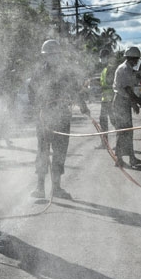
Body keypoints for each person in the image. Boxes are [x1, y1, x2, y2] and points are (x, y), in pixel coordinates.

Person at [28, 39, 90, 199]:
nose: (53, 58)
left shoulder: (66, 73)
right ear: (45, 56)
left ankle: (56, 188)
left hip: (62, 117)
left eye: (55, 55)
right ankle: (40, 188)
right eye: (50, 55)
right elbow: (32, 94)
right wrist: (37, 108)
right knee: (43, 152)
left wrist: (83, 106)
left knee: (59, 153)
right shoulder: (38, 73)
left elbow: (75, 90)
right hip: (44, 118)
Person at [112, 46, 141, 168]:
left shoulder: (127, 69)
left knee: (127, 131)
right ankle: (119, 159)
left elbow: (128, 90)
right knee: (123, 131)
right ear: (132, 58)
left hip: (124, 101)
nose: (137, 62)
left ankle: (131, 158)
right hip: (120, 102)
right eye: (136, 59)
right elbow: (127, 90)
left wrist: (133, 103)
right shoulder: (124, 69)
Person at [96, 47, 114, 147]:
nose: (102, 59)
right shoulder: (105, 69)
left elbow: (112, 84)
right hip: (106, 99)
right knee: (103, 121)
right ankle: (104, 142)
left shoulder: (110, 68)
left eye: (103, 57)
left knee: (113, 121)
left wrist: (101, 87)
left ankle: (122, 142)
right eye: (101, 58)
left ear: (107, 57)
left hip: (110, 100)